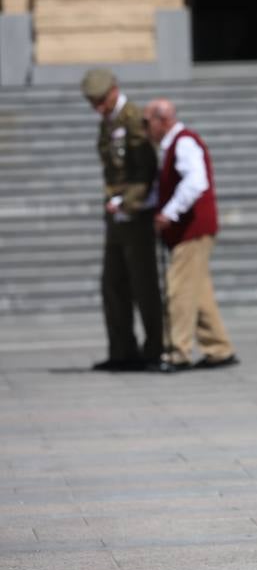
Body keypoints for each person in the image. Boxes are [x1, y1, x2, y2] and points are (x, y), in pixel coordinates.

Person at [144, 99, 238, 370]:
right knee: (199, 291)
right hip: (188, 230)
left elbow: (196, 182)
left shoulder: (183, 142)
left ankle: (177, 352)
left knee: (180, 290)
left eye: (147, 122)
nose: (144, 128)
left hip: (192, 230)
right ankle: (219, 348)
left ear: (163, 121)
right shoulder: (173, 145)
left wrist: (169, 213)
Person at [82, 68, 163, 371]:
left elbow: (146, 171)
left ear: (114, 90)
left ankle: (155, 350)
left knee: (144, 286)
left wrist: (126, 203)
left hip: (136, 215)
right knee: (112, 285)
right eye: (92, 102)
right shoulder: (109, 122)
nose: (97, 107)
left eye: (100, 100)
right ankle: (122, 352)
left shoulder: (133, 119)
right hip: (116, 216)